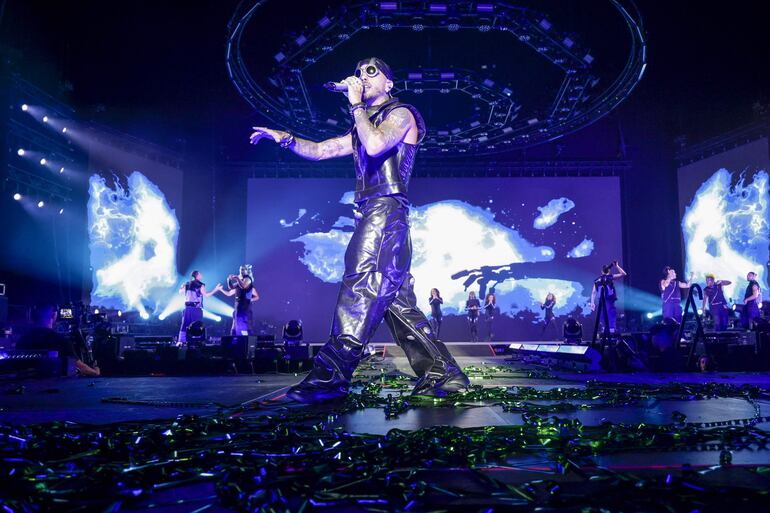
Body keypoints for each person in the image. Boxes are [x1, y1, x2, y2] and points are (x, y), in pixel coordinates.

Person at [249, 57, 469, 402]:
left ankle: (329, 378)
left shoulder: (401, 114)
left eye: (372, 71)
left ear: (389, 83)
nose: (362, 77)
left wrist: (355, 106)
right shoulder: (362, 125)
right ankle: (443, 373)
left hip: (385, 209)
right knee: (395, 302)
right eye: (358, 71)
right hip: (374, 212)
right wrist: (285, 138)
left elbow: (377, 145)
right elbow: (323, 150)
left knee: (361, 288)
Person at [16, 305, 100, 376]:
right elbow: (80, 367)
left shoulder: (22, 339)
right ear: (54, 315)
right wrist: (95, 372)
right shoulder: (60, 341)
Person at [178, 271, 222, 343]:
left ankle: (181, 341)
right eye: (200, 274)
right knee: (196, 325)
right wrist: (216, 289)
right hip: (196, 309)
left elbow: (180, 291)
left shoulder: (187, 284)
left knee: (184, 325)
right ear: (197, 275)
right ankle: (196, 342)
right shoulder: (201, 285)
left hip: (187, 309)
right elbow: (207, 295)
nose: (201, 275)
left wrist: (182, 286)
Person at [217, 265, 259, 336]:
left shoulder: (248, 279)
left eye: (242, 269)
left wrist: (236, 278)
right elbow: (231, 287)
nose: (241, 271)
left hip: (244, 306)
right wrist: (229, 280)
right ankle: (233, 339)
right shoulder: (239, 282)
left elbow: (244, 286)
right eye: (240, 269)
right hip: (238, 305)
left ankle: (244, 340)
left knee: (242, 325)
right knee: (235, 324)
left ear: (246, 271)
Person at [590, 261, 627, 333]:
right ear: (609, 271)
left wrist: (592, 303)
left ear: (601, 271)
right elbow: (624, 274)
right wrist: (617, 266)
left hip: (601, 301)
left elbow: (593, 292)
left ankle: (604, 331)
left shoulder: (597, 280)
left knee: (603, 315)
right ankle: (611, 331)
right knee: (611, 315)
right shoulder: (610, 277)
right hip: (609, 300)